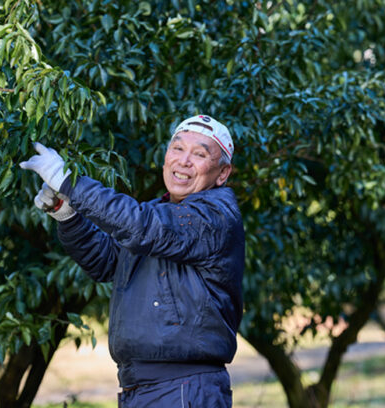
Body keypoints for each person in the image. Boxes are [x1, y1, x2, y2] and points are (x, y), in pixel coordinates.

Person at [19, 115, 245, 407]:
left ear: (222, 173)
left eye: (199, 154)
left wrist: (68, 181)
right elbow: (105, 262)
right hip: (141, 387)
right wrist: (67, 214)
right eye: (177, 149)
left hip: (183, 388)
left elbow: (142, 226)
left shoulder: (215, 217)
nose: (184, 161)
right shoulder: (157, 214)